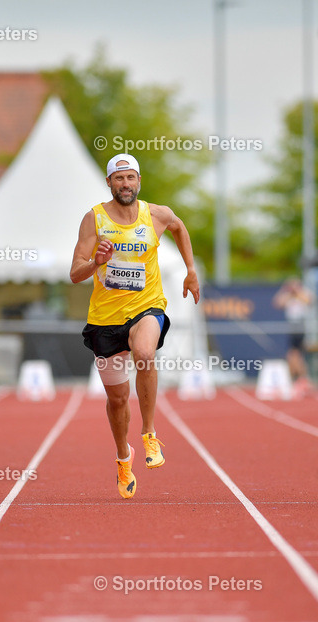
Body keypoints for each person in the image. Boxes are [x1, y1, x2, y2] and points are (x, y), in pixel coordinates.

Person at [70, 153, 200, 499]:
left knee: (144, 353)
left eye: (130, 178)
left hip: (147, 306)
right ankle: (123, 456)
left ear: (138, 181)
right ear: (109, 183)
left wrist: (190, 270)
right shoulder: (94, 219)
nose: (125, 184)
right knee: (117, 400)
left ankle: (150, 434)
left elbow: (180, 227)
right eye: (119, 178)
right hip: (105, 319)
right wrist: (96, 262)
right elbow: (75, 273)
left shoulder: (156, 214)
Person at [272, 278, 313, 395]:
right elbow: (277, 303)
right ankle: (298, 379)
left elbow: (308, 301)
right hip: (292, 325)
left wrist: (297, 292)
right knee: (292, 355)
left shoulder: (304, 292)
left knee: (296, 354)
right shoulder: (288, 295)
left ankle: (302, 379)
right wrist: (285, 290)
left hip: (300, 325)